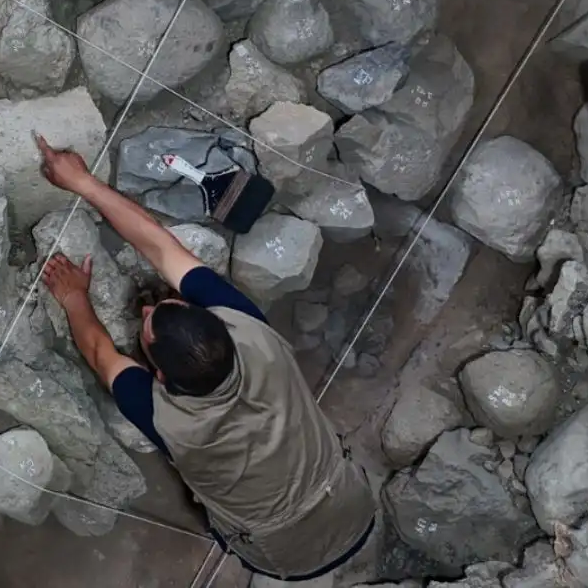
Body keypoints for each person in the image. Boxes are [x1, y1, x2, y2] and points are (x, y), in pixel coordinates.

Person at [32, 136, 376, 582]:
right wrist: (83, 182)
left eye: (149, 320)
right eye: (161, 309)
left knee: (227, 511)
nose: (147, 308)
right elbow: (160, 247)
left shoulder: (165, 419)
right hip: (351, 500)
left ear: (158, 376)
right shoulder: (252, 331)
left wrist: (74, 297)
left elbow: (101, 354)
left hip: (281, 555)